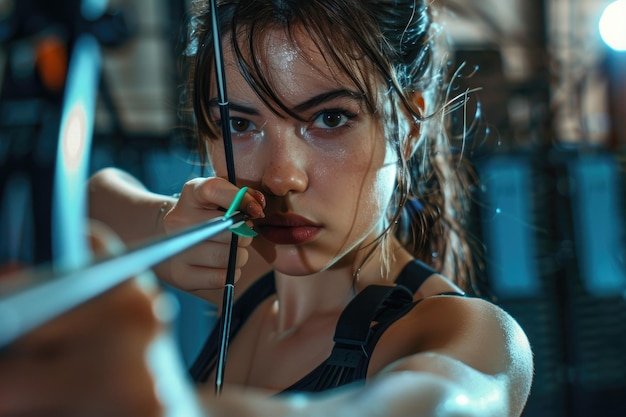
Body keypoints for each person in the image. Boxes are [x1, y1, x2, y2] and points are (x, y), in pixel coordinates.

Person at [0, 0, 533, 416]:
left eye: (329, 119)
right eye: (241, 124)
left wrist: (168, 407)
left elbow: (438, 405)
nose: (281, 176)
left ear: (407, 126)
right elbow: (92, 198)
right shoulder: (247, 272)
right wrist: (165, 224)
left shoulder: (468, 334)